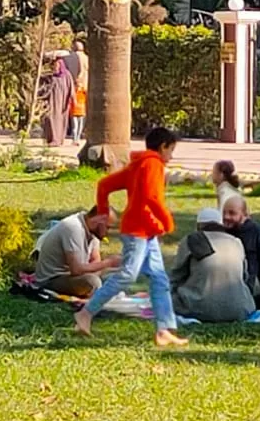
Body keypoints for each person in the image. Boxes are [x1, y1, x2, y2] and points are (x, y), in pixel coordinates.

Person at [74, 127, 187, 347]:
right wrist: (167, 222)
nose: (171, 156)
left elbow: (104, 185)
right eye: (171, 150)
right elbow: (152, 197)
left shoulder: (138, 164)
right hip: (137, 232)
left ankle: (164, 329)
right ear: (162, 147)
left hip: (146, 232)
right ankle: (86, 313)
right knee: (127, 275)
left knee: (159, 279)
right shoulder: (152, 164)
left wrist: (104, 212)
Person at [169, 218, 255, 323]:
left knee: (169, 299)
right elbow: (244, 276)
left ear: (198, 226)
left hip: (198, 308)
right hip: (239, 309)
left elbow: (177, 275)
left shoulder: (192, 239)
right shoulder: (236, 241)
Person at [31, 208, 117, 296]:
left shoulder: (93, 231)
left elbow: (95, 260)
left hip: (76, 275)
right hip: (53, 279)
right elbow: (76, 270)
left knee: (116, 275)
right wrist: (108, 263)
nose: (108, 232)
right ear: (98, 221)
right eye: (108, 227)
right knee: (92, 282)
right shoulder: (73, 227)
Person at [221, 194, 260, 298]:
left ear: (245, 214)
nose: (226, 217)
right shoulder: (220, 233)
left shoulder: (259, 235)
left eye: (232, 213)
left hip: (244, 291)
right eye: (224, 213)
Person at [41, 55, 75, 146]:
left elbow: (71, 87)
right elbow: (43, 87)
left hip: (63, 102)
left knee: (61, 120)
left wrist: (72, 98)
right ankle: (52, 139)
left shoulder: (67, 75)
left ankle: (59, 139)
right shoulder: (50, 75)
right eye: (54, 65)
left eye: (57, 65)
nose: (55, 67)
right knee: (50, 118)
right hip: (51, 101)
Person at [69, 40, 89, 143]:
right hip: (85, 86)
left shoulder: (75, 57)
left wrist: (76, 81)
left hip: (76, 86)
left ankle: (75, 136)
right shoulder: (87, 58)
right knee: (82, 114)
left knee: (74, 114)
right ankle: (78, 135)